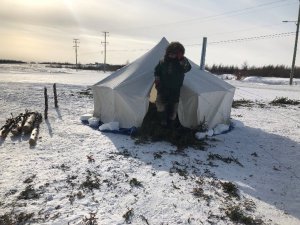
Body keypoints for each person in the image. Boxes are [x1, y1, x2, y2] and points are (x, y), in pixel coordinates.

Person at [154, 42, 191, 127]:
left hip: (175, 90)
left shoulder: (181, 62)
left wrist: (181, 59)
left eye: (174, 54)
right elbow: (157, 71)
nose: (172, 55)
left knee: (173, 109)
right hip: (163, 88)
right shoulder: (162, 61)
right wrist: (157, 81)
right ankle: (162, 121)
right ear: (168, 52)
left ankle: (171, 125)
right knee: (160, 105)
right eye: (170, 53)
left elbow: (187, 68)